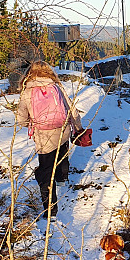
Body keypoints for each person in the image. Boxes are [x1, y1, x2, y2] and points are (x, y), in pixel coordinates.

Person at [16, 61, 82, 217]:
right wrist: (78, 127)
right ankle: (62, 178)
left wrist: (31, 124)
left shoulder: (27, 91)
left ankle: (50, 209)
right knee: (62, 152)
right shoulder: (56, 87)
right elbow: (72, 109)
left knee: (46, 170)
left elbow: (21, 119)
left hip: (43, 135)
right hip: (62, 130)